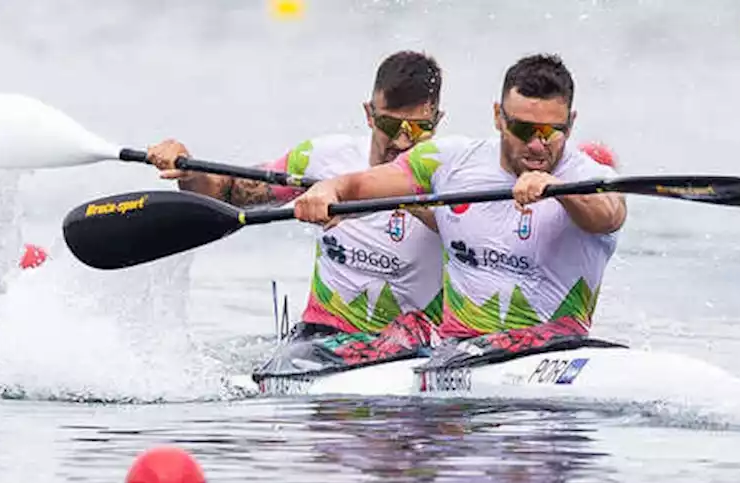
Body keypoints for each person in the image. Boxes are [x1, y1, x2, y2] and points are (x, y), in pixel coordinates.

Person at [291, 53, 627, 369]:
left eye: (552, 132)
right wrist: (329, 189)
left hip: (548, 352)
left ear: (570, 123)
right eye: (524, 130)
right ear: (498, 117)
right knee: (408, 328)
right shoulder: (450, 161)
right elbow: (361, 185)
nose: (538, 145)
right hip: (455, 356)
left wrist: (559, 191)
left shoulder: (591, 178)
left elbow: (609, 215)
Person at [146, 51, 447, 377]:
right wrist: (189, 170)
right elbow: (228, 193)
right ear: (369, 115)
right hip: (323, 336)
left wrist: (412, 201)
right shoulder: (323, 157)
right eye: (391, 124)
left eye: (418, 130)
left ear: (438, 121)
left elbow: (477, 234)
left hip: (417, 340)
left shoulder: (452, 174)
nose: (403, 141)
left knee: (411, 330)